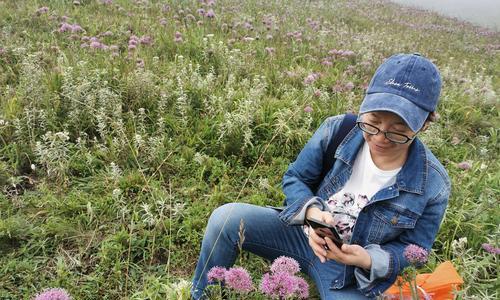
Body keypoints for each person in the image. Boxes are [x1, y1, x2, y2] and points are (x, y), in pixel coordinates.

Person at [191, 53, 450, 299]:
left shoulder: (434, 184)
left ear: (425, 124)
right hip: (299, 235)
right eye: (372, 121)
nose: (380, 137)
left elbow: (416, 248)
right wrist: (312, 214)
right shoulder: (337, 129)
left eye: (398, 131)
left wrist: (367, 259)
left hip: (349, 270)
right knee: (225, 220)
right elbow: (295, 178)